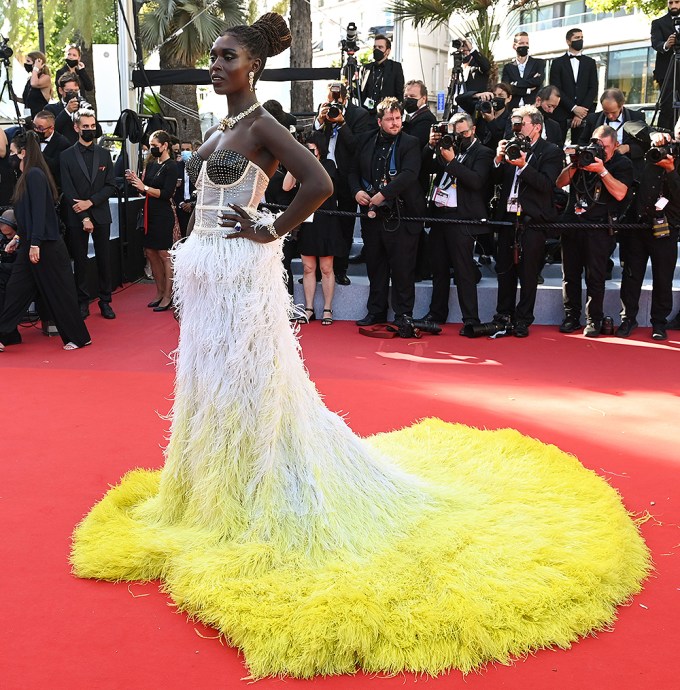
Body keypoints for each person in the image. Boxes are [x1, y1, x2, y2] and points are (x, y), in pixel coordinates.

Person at [69, 13, 650, 681]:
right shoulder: (220, 127)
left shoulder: (261, 124)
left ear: (251, 66)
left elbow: (319, 184)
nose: (215, 64)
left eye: (225, 56)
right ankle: (214, 490)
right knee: (210, 387)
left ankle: (263, 489)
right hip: (207, 273)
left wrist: (270, 228)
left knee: (253, 387)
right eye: (215, 55)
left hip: (241, 272)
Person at [0, 131, 90, 352]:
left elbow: (40, 212)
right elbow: (27, 215)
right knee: (16, 290)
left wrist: (35, 244)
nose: (9, 156)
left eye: (12, 152)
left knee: (59, 292)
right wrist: (20, 238)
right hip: (31, 244)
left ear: (22, 153)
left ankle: (79, 337)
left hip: (45, 246)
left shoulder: (35, 175)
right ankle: (5, 335)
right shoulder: (25, 178)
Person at [348, 97, 425, 327]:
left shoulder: (410, 142)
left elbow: (410, 173)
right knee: (375, 266)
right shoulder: (365, 140)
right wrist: (357, 192)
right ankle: (376, 312)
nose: (395, 123)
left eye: (398, 118)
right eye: (390, 119)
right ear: (379, 120)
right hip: (372, 216)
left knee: (403, 269)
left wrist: (384, 194)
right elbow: (351, 172)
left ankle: (403, 315)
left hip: (401, 215)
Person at [556, 125, 634, 337]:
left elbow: (620, 194)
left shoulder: (622, 163)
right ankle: (571, 316)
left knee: (595, 276)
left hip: (599, 227)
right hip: (573, 224)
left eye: (605, 147)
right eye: (597, 144)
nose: (600, 150)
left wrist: (602, 171)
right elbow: (559, 182)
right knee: (569, 275)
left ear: (615, 146)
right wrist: (575, 164)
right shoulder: (583, 157)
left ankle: (593, 320)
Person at [492, 105, 564, 337]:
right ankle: (503, 314)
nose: (517, 128)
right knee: (504, 269)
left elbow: (546, 184)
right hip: (507, 218)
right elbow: (491, 180)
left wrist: (523, 166)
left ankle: (523, 319)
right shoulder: (510, 146)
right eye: (514, 124)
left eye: (521, 124)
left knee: (529, 272)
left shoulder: (550, 151)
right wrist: (498, 158)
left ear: (536, 127)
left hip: (533, 220)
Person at [420, 112, 493, 332]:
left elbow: (476, 181)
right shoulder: (446, 148)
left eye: (464, 133)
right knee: (439, 268)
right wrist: (430, 147)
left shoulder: (483, 153)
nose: (460, 137)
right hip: (440, 215)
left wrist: (451, 162)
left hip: (462, 218)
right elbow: (425, 169)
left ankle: (471, 318)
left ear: (473, 130)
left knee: (463, 270)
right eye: (456, 133)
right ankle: (436, 313)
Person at [618, 132, 679, 340]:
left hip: (666, 228)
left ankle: (659, 323)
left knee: (663, 278)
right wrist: (654, 134)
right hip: (637, 225)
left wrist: (671, 170)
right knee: (631, 276)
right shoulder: (650, 144)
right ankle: (628, 318)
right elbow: (634, 125)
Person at [314, 81, 375, 286]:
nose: (332, 104)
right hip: (323, 175)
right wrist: (320, 122)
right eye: (329, 99)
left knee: (345, 224)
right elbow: (313, 141)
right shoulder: (323, 111)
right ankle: (318, 268)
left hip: (346, 176)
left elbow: (357, 146)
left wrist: (342, 123)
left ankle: (340, 269)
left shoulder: (359, 115)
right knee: (321, 222)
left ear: (345, 98)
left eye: (336, 99)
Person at [60, 109, 117, 320]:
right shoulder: (66, 156)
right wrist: (83, 215)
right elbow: (67, 188)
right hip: (76, 216)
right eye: (85, 127)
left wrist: (90, 203)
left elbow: (111, 185)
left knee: (104, 259)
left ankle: (105, 301)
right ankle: (82, 302)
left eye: (93, 126)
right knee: (81, 262)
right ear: (76, 128)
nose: (90, 130)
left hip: (101, 213)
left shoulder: (104, 154)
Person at [284, 132, 344, 325]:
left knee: (326, 268)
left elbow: (324, 187)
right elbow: (286, 187)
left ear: (319, 148)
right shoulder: (300, 167)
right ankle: (308, 308)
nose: (308, 151)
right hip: (307, 222)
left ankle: (328, 308)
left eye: (311, 148)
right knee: (308, 267)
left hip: (326, 221)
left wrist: (309, 161)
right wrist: (295, 162)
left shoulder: (329, 165)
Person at [125, 130, 178, 311]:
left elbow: (166, 193)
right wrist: (136, 181)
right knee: (150, 252)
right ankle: (159, 291)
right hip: (148, 213)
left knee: (164, 254)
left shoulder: (172, 166)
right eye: (151, 146)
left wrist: (144, 187)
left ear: (165, 146)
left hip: (162, 214)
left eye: (155, 146)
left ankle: (168, 295)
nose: (152, 149)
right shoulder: (152, 164)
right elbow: (144, 189)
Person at [578, 88, 646, 179]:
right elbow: (582, 142)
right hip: (599, 169)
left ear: (621, 105)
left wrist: (628, 148)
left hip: (628, 168)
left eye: (613, 112)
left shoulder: (636, 117)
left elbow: (645, 146)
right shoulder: (593, 119)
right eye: (606, 112)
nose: (610, 116)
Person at [549, 29, 599, 144]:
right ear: (568, 41)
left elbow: (593, 88)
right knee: (557, 145)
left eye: (581, 37)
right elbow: (556, 89)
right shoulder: (557, 63)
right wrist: (574, 108)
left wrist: (581, 112)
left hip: (584, 112)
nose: (580, 40)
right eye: (576, 38)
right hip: (562, 111)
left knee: (581, 147)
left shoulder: (590, 62)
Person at [457, 82, 513, 153]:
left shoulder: (510, 118)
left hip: (494, 155)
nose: (497, 98)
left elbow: (503, 140)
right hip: (475, 153)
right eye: (494, 95)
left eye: (500, 95)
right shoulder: (482, 108)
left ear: (509, 98)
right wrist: (477, 95)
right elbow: (459, 99)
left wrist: (491, 121)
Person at [651, 0, 680, 130]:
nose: (673, 6)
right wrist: (667, 44)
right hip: (667, 72)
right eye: (670, 2)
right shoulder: (658, 23)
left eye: (677, 2)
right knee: (666, 107)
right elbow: (655, 43)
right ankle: (663, 139)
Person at [359, 34, 405, 113]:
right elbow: (362, 94)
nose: (376, 50)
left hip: (387, 114)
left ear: (388, 51)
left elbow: (399, 93)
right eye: (375, 47)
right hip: (367, 115)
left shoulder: (395, 67)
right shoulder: (366, 68)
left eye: (380, 47)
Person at [501, 32, 546, 109]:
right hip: (512, 108)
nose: (525, 45)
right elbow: (507, 88)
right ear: (514, 46)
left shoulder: (539, 63)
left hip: (533, 107)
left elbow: (538, 81)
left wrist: (516, 84)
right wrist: (528, 90)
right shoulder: (508, 67)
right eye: (521, 43)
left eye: (527, 43)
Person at [45, 74, 93, 145]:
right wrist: (67, 111)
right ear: (61, 90)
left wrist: (89, 113)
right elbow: (51, 130)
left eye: (76, 90)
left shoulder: (82, 107)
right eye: (69, 91)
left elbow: (98, 133)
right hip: (61, 151)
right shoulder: (51, 108)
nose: (73, 93)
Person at [32, 110, 71, 189]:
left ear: (51, 128)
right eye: (34, 127)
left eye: (40, 128)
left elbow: (55, 167)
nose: (36, 130)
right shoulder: (30, 138)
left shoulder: (63, 143)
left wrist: (36, 150)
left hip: (52, 187)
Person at [0, 210, 21, 346]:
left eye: (10, 234)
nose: (7, 237)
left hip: (22, 275)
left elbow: (21, 268)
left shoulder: (25, 241)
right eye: (4, 234)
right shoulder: (3, 239)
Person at [14, 51, 53, 117]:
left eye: (28, 61)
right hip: (29, 117)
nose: (26, 64)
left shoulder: (45, 78)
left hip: (40, 117)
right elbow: (29, 100)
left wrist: (36, 68)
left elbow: (34, 84)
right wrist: (16, 99)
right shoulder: (30, 79)